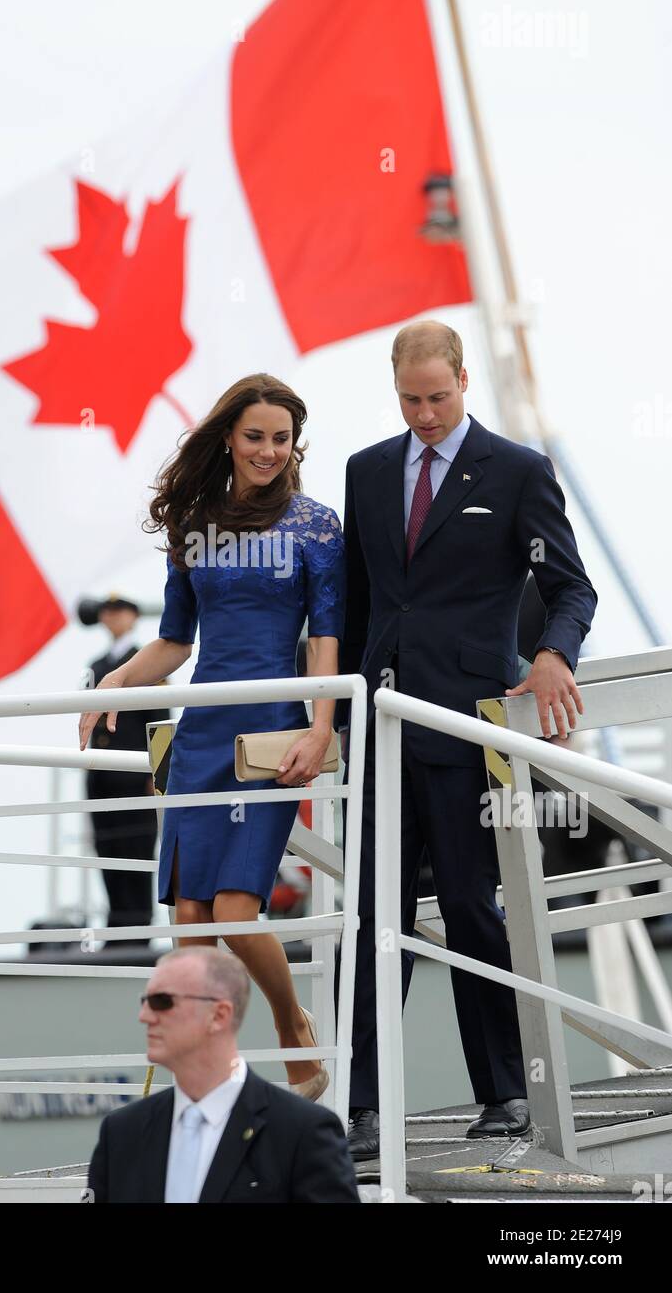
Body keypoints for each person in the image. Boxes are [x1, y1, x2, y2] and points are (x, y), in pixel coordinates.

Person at [338, 320, 597, 1154]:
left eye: (437, 396)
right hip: (377, 719)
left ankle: (503, 1094)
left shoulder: (517, 471)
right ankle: (362, 1106)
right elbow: (354, 602)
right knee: (373, 917)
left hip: (464, 721)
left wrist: (554, 653)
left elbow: (569, 585)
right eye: (409, 399)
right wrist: (333, 713)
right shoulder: (367, 471)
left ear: (461, 381)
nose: (423, 413)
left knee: (467, 905)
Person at [79, 374, 345, 1099]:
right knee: (188, 915)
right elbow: (172, 642)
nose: (266, 450)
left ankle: (293, 1025)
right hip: (201, 734)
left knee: (234, 908)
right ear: (227, 436)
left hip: (270, 733)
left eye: (279, 439)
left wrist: (320, 726)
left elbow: (325, 636)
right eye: (253, 436)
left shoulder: (316, 526)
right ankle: (194, 1070)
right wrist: (112, 684)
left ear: (295, 444)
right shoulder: (194, 523)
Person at [85, 946, 359, 1203]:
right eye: (145, 1001)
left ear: (219, 1015)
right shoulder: (121, 1134)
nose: (144, 1015)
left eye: (161, 1001)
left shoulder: (302, 1132)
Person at [83, 597, 169, 934]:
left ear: (133, 617)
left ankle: (137, 928)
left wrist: (156, 773)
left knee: (137, 849)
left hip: (135, 777)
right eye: (108, 612)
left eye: (121, 611)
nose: (114, 618)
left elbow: (160, 718)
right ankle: (117, 926)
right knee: (107, 848)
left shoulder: (146, 664)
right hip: (102, 775)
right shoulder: (96, 665)